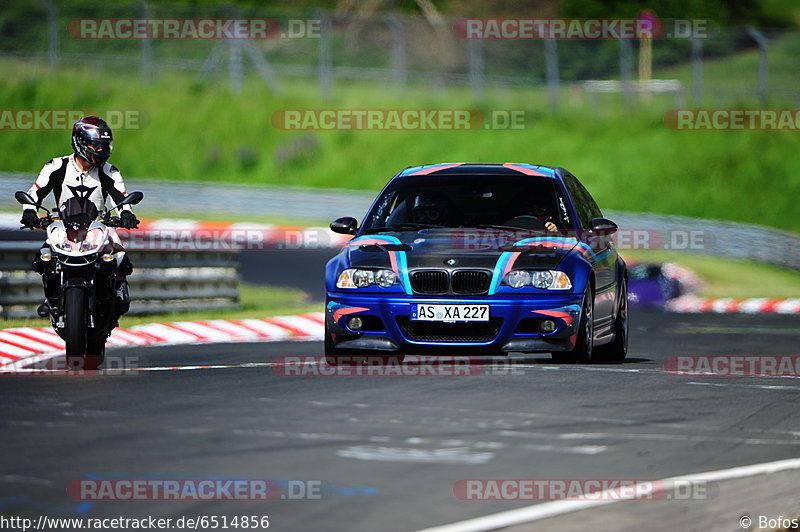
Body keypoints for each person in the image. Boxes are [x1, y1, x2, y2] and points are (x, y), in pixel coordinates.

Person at [20, 116, 139, 321]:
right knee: (42, 258)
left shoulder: (109, 171)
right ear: (81, 142)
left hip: (99, 226)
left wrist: (126, 214)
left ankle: (118, 291)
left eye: (104, 146)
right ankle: (51, 297)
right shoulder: (56, 166)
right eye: (96, 145)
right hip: (63, 225)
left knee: (121, 257)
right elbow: (35, 192)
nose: (101, 150)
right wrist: (29, 211)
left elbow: (121, 197)